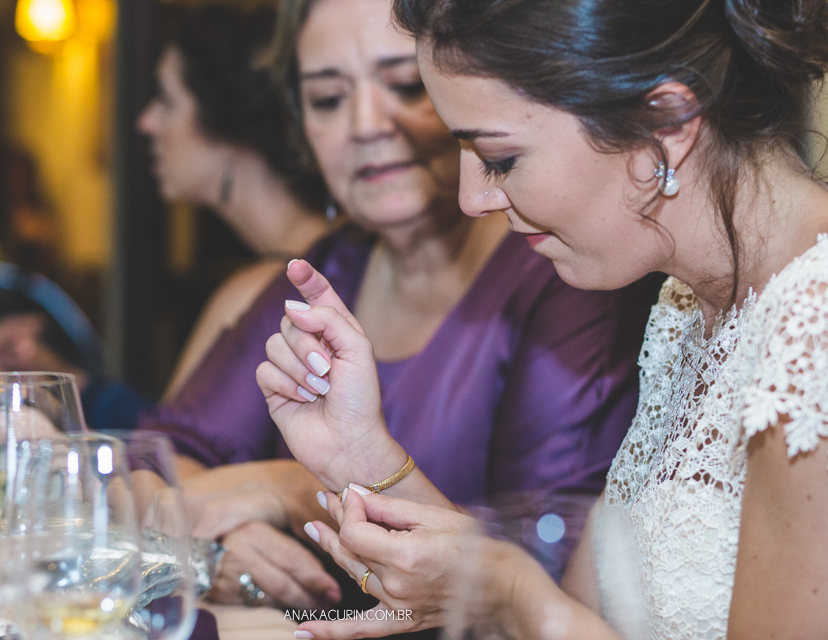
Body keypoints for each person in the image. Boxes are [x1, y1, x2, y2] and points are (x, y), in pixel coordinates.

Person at [257, 0, 828, 637]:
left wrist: (507, 590)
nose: (473, 198)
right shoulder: (687, 307)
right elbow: (589, 617)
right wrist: (363, 456)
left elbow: (539, 607)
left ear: (664, 123)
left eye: (500, 158)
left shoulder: (815, 335)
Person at [139, 0, 657, 616]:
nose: (365, 123)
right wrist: (225, 539)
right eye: (328, 98)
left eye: (407, 85)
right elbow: (156, 465)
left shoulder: (564, 269)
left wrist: (292, 489)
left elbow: (546, 567)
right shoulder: (325, 271)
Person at [136, 3, 329, 398]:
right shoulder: (318, 254)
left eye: (166, 100)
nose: (147, 122)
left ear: (223, 123)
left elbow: (170, 450)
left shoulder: (261, 294)